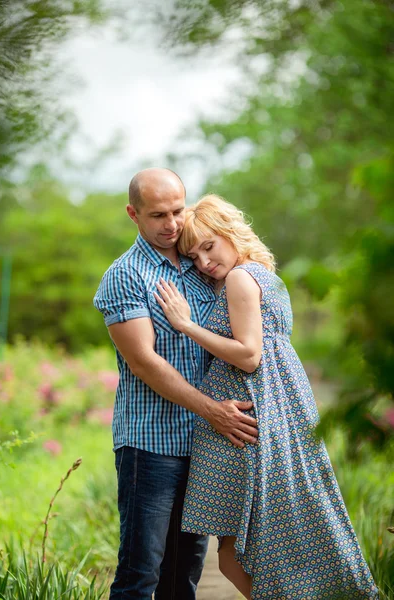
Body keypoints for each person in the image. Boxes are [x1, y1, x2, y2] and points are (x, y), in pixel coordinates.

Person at [154, 194, 379, 600]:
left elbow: (250, 355)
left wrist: (185, 325)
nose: (204, 262)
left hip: (254, 411)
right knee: (256, 539)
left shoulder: (241, 278)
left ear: (230, 233)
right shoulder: (258, 273)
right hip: (271, 407)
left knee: (237, 551)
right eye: (195, 256)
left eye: (209, 246)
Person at [93, 169, 258, 600]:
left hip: (203, 445)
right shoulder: (125, 275)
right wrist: (212, 410)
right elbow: (145, 362)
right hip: (150, 446)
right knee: (140, 574)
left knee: (182, 576)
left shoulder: (201, 264)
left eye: (178, 210)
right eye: (157, 215)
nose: (171, 224)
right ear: (133, 214)